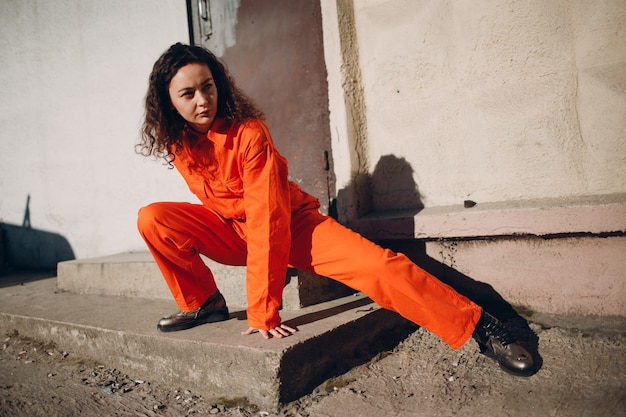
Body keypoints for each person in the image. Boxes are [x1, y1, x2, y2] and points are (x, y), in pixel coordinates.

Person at [136, 43, 535, 377]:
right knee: (153, 218)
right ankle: (204, 303)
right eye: (187, 94)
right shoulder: (179, 141)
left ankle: (481, 326)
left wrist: (263, 308)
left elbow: (268, 221)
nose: (203, 100)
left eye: (207, 86)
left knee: (380, 267)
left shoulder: (250, 134)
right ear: (169, 103)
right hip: (234, 232)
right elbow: (231, 214)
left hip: (292, 226)